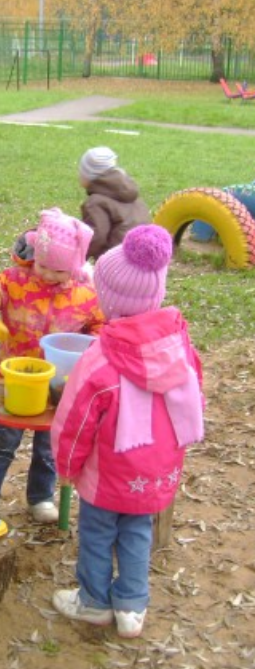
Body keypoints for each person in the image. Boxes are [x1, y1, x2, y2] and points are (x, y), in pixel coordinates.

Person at [51, 225, 204, 638]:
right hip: (157, 469)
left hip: (110, 471)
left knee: (98, 532)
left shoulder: (102, 358)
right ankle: (132, 606)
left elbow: (76, 419)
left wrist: (65, 465)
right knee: (137, 529)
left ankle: (94, 602)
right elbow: (195, 393)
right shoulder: (179, 343)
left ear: (109, 298)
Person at [0, 208, 104, 523]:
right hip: (16, 380)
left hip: (57, 385)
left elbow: (99, 326)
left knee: (48, 447)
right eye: (43, 265)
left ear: (76, 267)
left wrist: (92, 346)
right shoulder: (15, 282)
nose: (48, 275)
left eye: (59, 271)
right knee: (3, 441)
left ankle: (40, 497)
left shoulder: (85, 295)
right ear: (33, 256)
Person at [78, 146, 151, 260]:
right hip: (141, 255)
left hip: (117, 262)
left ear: (89, 174)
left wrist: (78, 257)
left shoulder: (95, 203)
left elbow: (96, 238)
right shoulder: (130, 193)